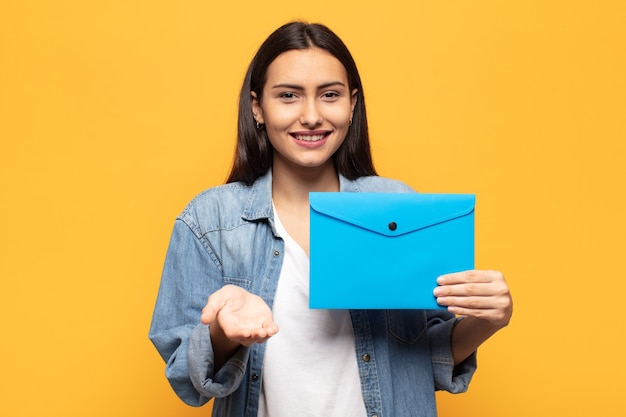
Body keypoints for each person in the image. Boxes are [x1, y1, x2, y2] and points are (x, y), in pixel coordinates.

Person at [149, 21, 512, 417]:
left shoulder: (396, 205)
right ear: (257, 106)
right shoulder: (210, 220)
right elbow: (185, 376)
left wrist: (487, 321)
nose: (311, 116)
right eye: (288, 95)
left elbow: (428, 355)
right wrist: (223, 330)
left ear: (352, 104)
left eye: (330, 95)